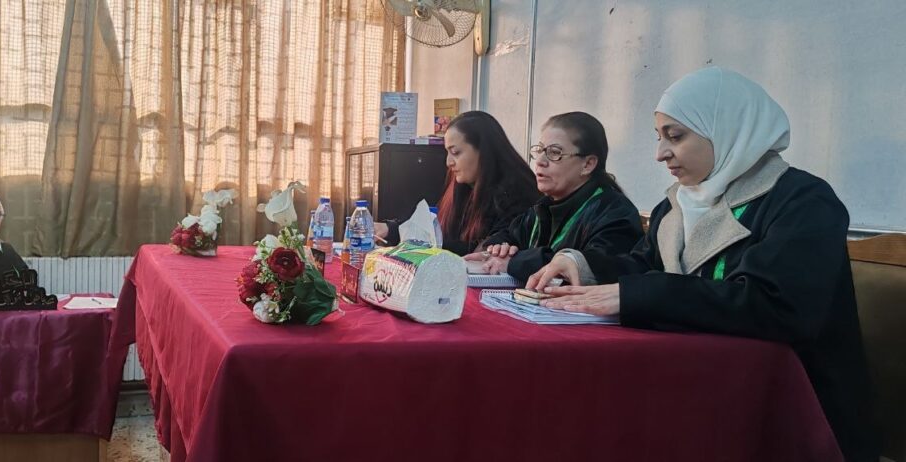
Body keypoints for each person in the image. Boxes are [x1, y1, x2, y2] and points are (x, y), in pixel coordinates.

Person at [527, 67, 877, 461]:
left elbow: (777, 306)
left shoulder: (803, 202)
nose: (660, 153)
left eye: (675, 136)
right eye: (659, 137)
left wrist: (643, 294)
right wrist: (581, 266)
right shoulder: (675, 206)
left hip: (788, 415)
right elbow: (642, 266)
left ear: (726, 128)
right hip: (697, 396)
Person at [470, 112, 643, 282]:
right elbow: (509, 236)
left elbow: (587, 266)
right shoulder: (543, 207)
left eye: (554, 153)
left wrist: (515, 262)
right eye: (539, 150)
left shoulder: (615, 214)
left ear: (588, 164)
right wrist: (498, 249)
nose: (540, 161)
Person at [374, 111, 541, 256]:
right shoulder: (464, 187)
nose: (449, 162)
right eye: (447, 152)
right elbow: (438, 229)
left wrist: (422, 245)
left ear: (484, 151)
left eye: (456, 152)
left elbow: (479, 252)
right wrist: (391, 229)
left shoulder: (516, 196)